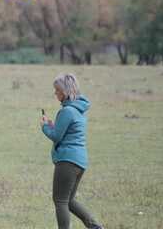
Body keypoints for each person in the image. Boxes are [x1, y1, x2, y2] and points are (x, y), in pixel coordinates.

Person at [40, 74, 103, 229]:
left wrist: (45, 126)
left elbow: (56, 136)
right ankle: (95, 227)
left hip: (67, 161)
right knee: (69, 200)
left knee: (60, 200)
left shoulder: (66, 111)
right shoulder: (79, 110)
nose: (55, 94)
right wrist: (53, 125)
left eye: (57, 91)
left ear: (65, 91)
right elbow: (68, 132)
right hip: (80, 161)